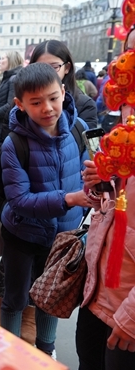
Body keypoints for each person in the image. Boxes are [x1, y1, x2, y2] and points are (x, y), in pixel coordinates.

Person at [0, 62, 92, 358]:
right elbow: (20, 201)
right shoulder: (14, 144)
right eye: (36, 102)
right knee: (14, 298)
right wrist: (70, 199)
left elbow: (88, 177)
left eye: (53, 98)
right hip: (22, 235)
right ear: (20, 104)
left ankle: (44, 352)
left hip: (63, 236)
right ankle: (9, 353)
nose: (47, 108)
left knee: (51, 296)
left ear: (64, 92)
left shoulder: (79, 130)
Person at [77, 109, 135, 368]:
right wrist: (98, 185)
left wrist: (132, 317)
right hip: (96, 295)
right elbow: (108, 206)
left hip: (126, 313)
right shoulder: (121, 142)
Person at [30, 40, 97, 129]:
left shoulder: (85, 105)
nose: (47, 73)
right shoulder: (25, 100)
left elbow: (87, 141)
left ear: (67, 68)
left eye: (54, 67)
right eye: (40, 67)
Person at [0, 51, 24, 156]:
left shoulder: (13, 79)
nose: (0, 61)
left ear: (11, 60)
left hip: (6, 128)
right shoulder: (8, 78)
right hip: (2, 127)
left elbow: (9, 106)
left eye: (3, 58)